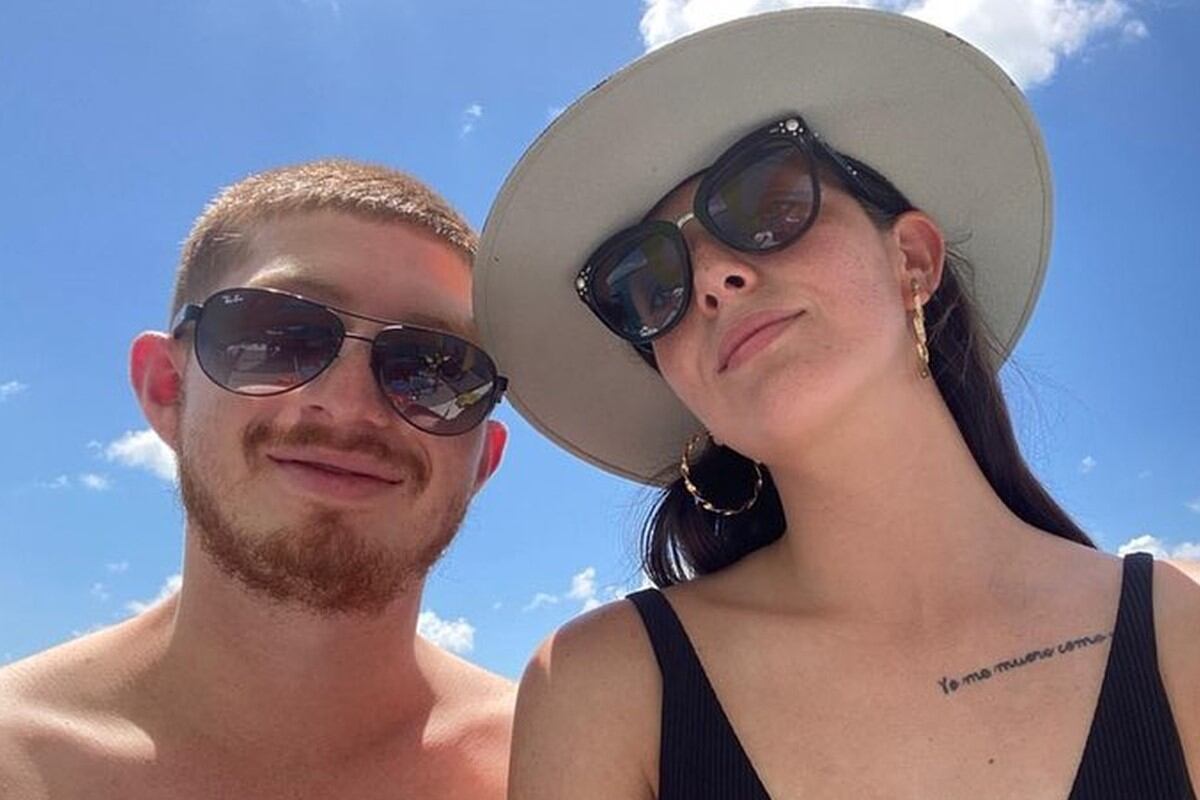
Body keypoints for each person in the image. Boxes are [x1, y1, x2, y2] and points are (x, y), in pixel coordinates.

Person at [473, 8, 1200, 799]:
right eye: (652, 286)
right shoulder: (603, 687)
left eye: (767, 207)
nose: (714, 279)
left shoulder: (1179, 627)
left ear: (913, 262)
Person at [0, 160, 514, 798]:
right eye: (276, 337)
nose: (351, 405)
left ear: (482, 462)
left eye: (436, 370)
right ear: (167, 388)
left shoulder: (569, 768)